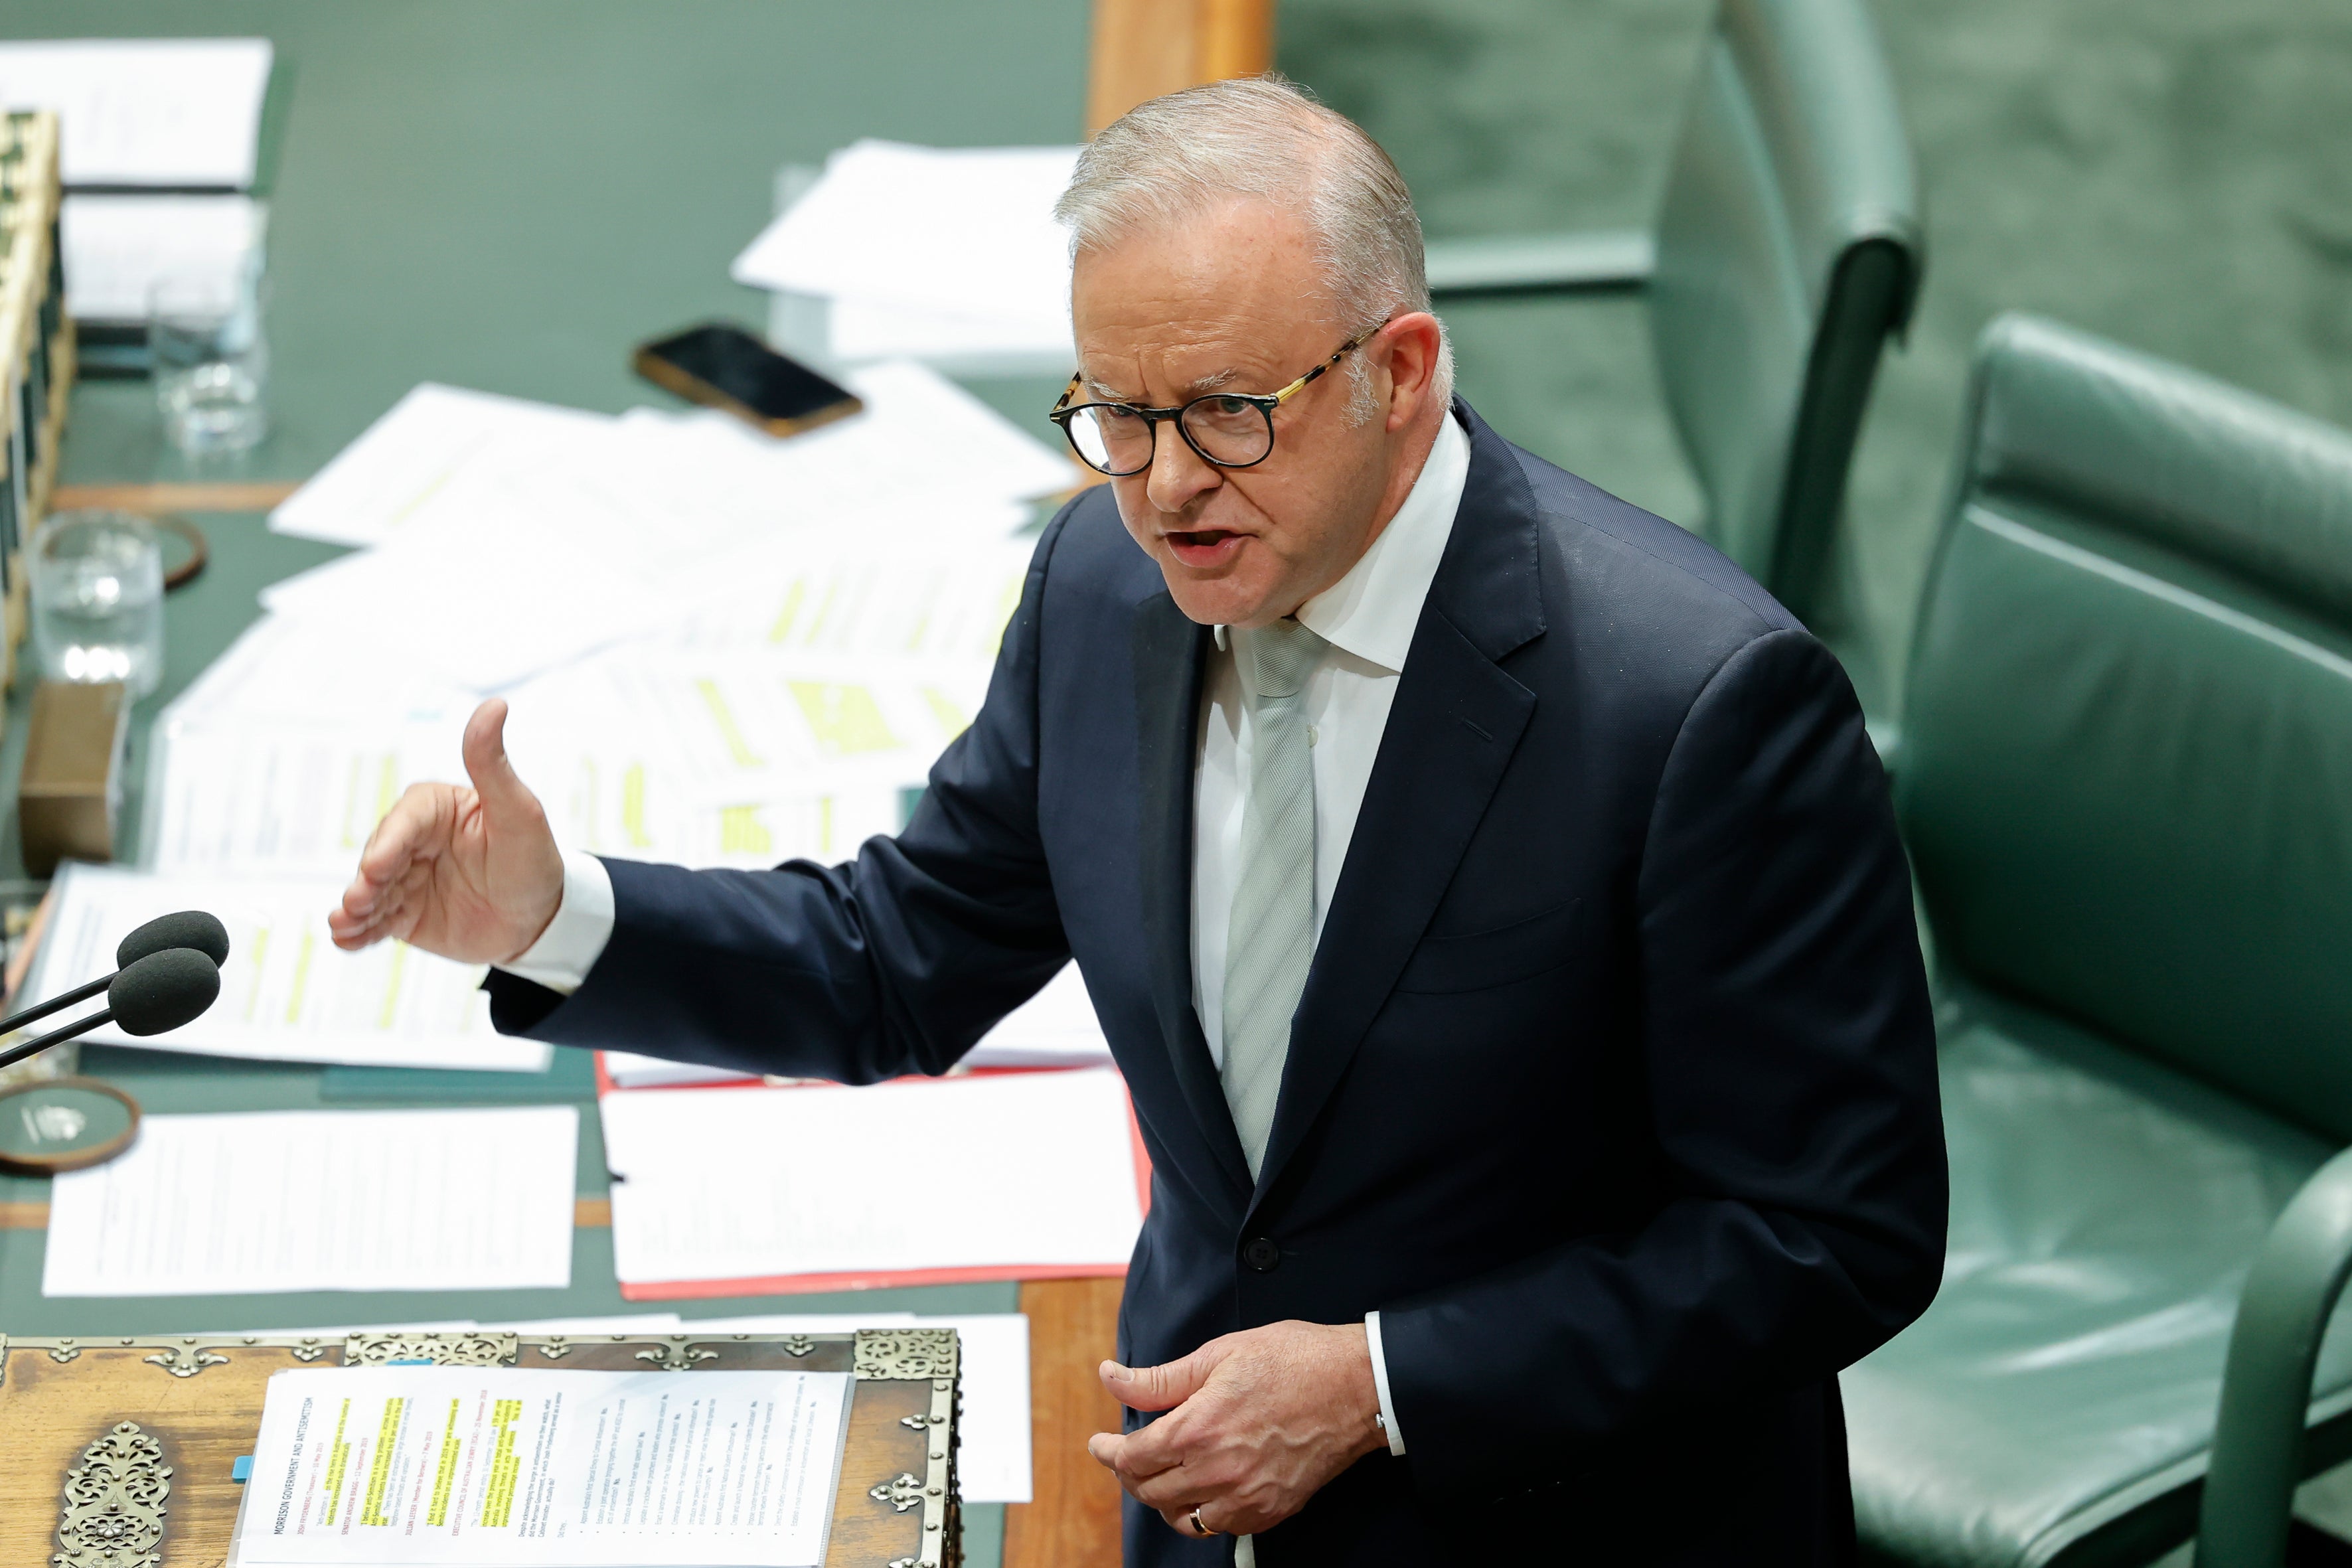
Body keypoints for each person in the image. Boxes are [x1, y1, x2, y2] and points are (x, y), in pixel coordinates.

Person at [334, 76, 1945, 1566]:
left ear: (1398, 371)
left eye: (1228, 411)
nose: (1166, 484)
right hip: (1196, 1490)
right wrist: (550, 916)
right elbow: (900, 951)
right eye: (1117, 412)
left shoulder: (1696, 706)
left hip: (1568, 1514)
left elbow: (1830, 1234)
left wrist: (1380, 1382)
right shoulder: (1106, 587)